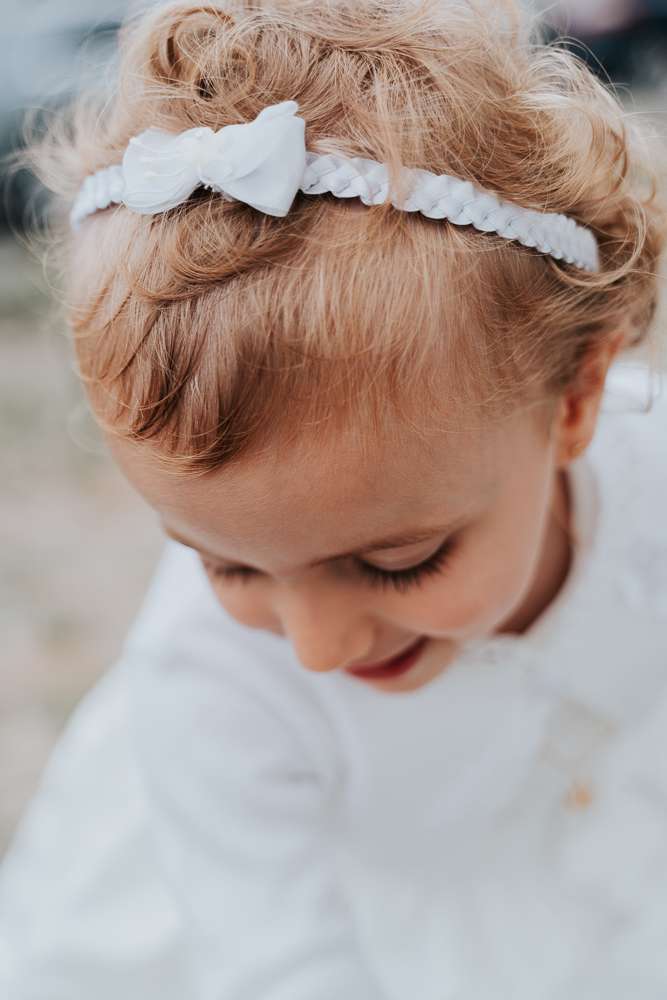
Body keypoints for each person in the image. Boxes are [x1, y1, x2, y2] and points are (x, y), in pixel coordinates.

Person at [2, 1, 667, 997]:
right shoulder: (207, 687)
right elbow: (279, 967)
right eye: (224, 562)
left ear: (572, 399)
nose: (313, 645)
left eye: (398, 560)